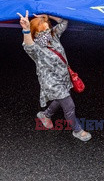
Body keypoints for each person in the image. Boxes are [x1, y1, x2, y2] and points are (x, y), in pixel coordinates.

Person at [16, 11, 91, 142]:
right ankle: (77, 130)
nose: (46, 33)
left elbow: (64, 22)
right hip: (52, 82)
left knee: (61, 97)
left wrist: (47, 16)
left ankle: (46, 115)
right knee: (69, 106)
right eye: (41, 31)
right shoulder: (36, 49)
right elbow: (28, 47)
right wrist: (26, 30)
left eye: (47, 28)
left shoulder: (53, 36)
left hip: (63, 77)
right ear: (35, 33)